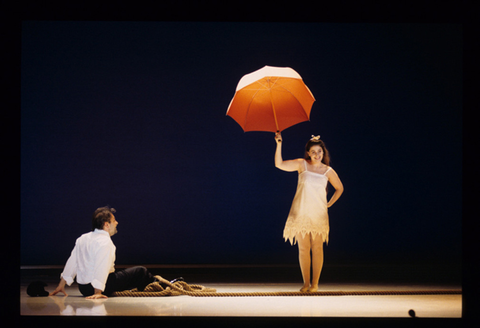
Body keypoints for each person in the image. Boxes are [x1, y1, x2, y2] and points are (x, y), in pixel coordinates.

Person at [50, 206, 181, 299]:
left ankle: (152, 285)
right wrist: (97, 291)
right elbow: (101, 266)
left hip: (83, 288)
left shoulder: (82, 238)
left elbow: (73, 261)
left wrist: (61, 285)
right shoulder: (105, 242)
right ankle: (166, 286)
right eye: (114, 221)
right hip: (99, 287)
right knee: (140, 271)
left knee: (125, 273)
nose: (117, 223)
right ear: (106, 225)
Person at [274, 134, 344, 292]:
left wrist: (329, 204)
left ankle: (315, 284)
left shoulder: (328, 171)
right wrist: (279, 144)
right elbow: (279, 164)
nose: (317, 155)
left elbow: (340, 188)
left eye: (319, 151)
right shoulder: (302, 165)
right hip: (301, 211)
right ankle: (306, 283)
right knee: (303, 248)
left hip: (318, 213)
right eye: (313, 152)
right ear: (308, 153)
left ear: (323, 153)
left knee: (317, 247)